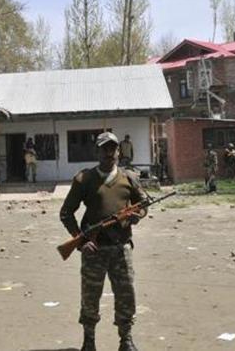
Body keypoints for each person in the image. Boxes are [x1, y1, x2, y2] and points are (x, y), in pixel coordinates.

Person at [59, 132, 147, 351]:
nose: (109, 153)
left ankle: (125, 340)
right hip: (94, 250)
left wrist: (139, 215)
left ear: (119, 151)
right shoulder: (84, 179)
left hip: (121, 249)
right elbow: (66, 213)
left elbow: (143, 203)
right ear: (97, 151)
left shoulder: (129, 178)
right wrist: (79, 242)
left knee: (126, 295)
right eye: (104, 149)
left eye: (113, 148)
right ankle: (89, 341)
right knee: (90, 297)